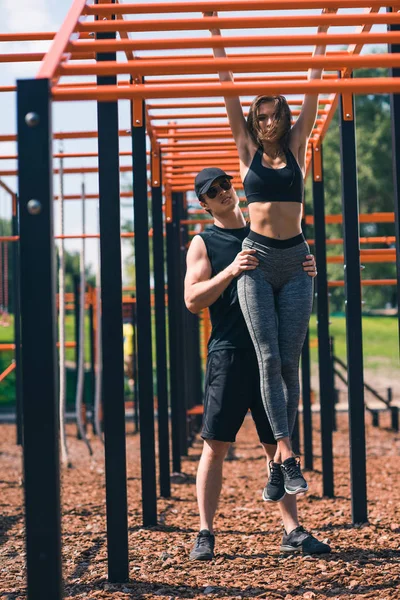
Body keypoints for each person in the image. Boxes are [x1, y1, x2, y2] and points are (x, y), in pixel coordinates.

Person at [203, 10, 333, 501]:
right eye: (262, 116)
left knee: (290, 362)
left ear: (285, 116)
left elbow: (316, 83)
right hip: (256, 260)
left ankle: (279, 470)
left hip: (296, 261)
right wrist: (214, 28)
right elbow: (227, 87)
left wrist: (325, 26)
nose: (269, 120)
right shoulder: (245, 148)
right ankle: (286, 453)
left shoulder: (298, 145)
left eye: (275, 113)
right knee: (268, 355)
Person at [184, 167, 330, 561]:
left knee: (276, 445)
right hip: (230, 352)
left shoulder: (269, 233)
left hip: (272, 355)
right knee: (215, 445)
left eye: (225, 185)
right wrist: (231, 271)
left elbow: (292, 273)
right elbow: (192, 299)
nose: (223, 193)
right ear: (204, 204)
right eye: (213, 192)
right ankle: (205, 533)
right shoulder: (204, 241)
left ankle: (293, 531)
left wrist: (306, 268)